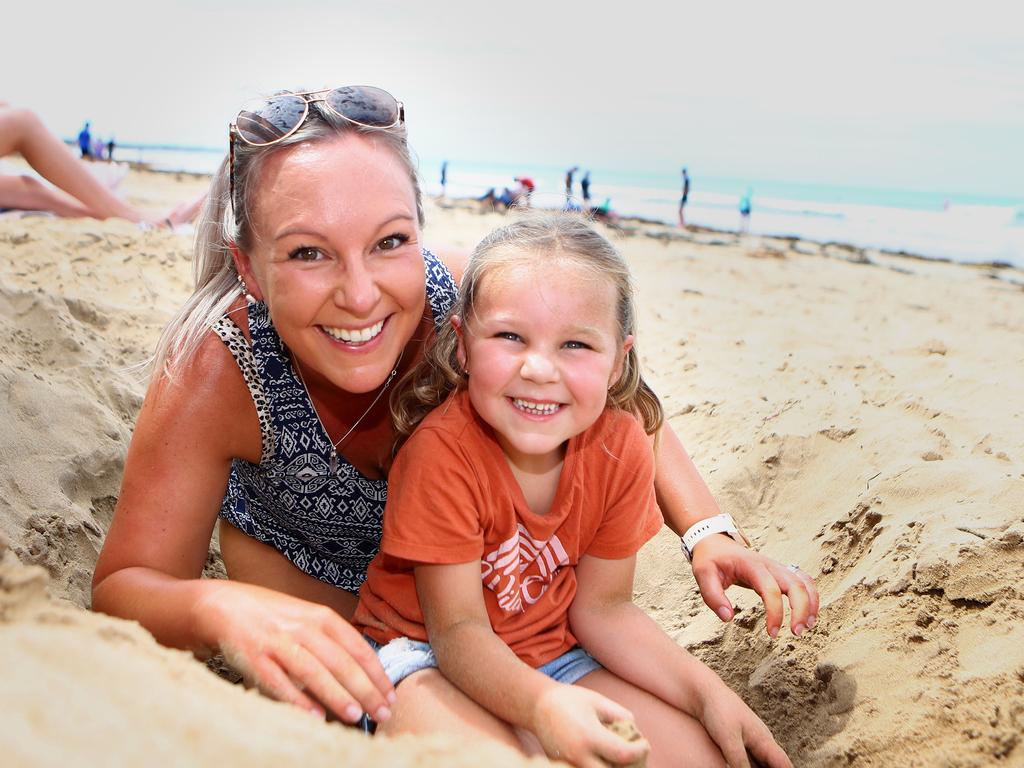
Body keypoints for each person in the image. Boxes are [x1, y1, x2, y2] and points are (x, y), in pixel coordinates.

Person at [91, 84, 817, 728]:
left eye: (389, 242)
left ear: (419, 231)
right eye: (309, 254)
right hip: (340, 629)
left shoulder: (476, 311)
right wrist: (224, 609)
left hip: (503, 606)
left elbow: (619, 406)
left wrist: (708, 532)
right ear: (248, 266)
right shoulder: (217, 372)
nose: (361, 293)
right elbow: (125, 587)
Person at [354, 214, 791, 767]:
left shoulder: (621, 446)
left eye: (576, 344)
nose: (539, 368)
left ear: (618, 361)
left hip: (556, 651)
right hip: (421, 658)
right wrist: (542, 709)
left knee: (704, 756)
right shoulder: (441, 453)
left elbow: (604, 611)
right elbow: (458, 631)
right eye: (510, 336)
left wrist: (709, 696)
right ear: (463, 345)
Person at [0, 103, 183, 224]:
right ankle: (130, 215)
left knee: (31, 188)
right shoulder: (86, 134)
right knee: (23, 122)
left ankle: (127, 217)